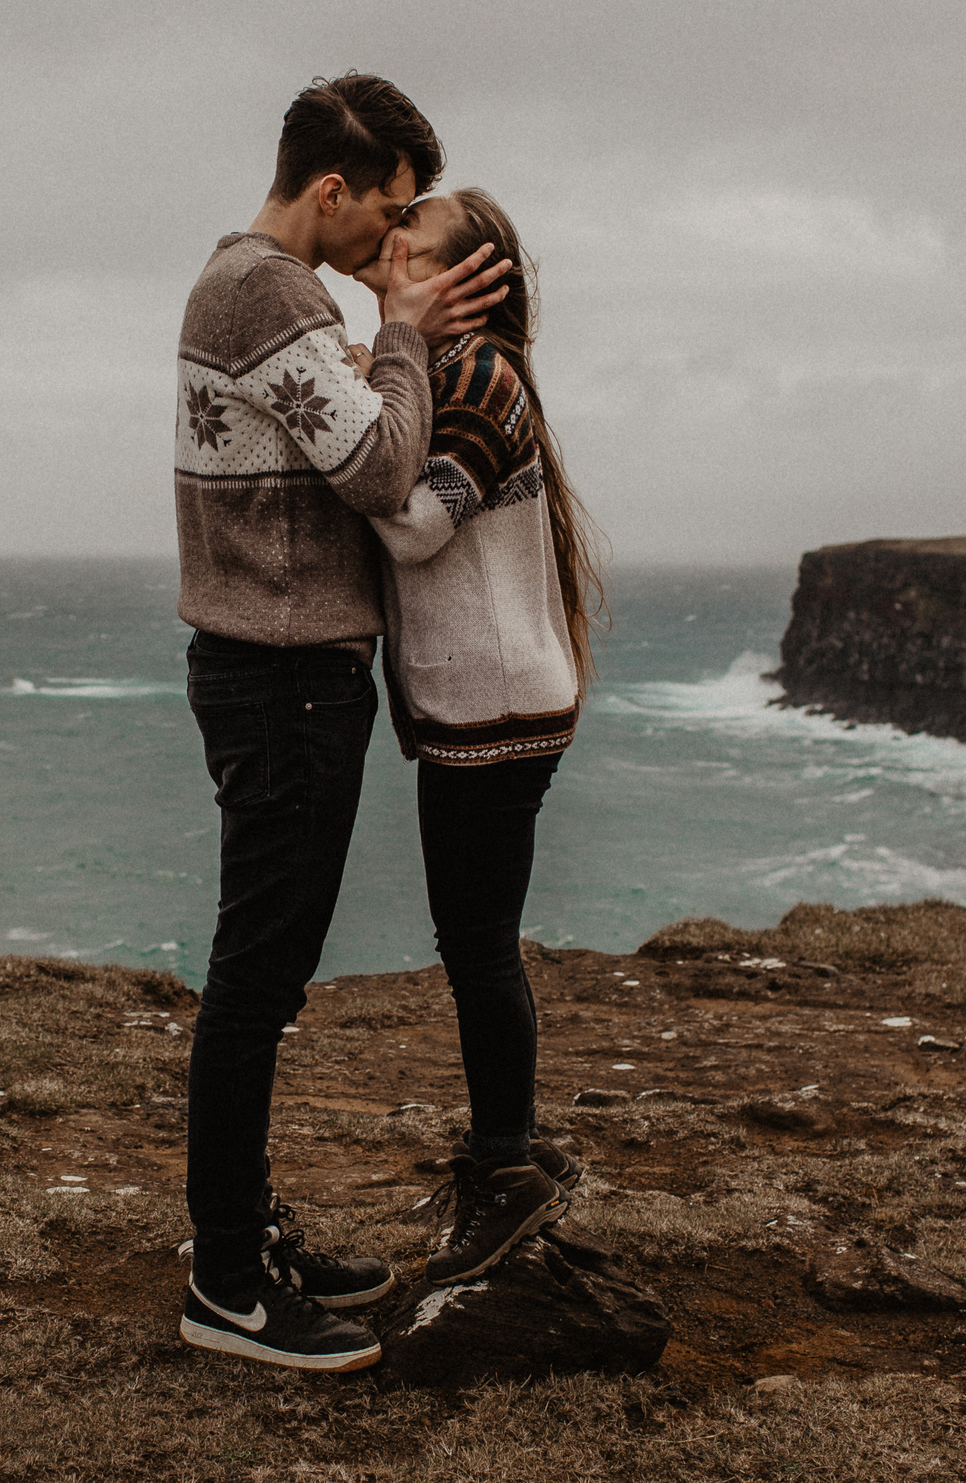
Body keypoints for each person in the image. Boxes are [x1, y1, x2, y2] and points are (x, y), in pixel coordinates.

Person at [171, 74, 511, 1373]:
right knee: (257, 979)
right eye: (389, 208)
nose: (397, 238)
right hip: (284, 672)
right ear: (332, 188)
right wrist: (410, 331)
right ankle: (226, 1283)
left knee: (265, 973)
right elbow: (378, 468)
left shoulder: (250, 288)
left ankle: (243, 1232)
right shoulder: (271, 292)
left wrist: (381, 339)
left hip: (272, 667)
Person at [354, 187, 603, 1286]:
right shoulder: (451, 372)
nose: (390, 240)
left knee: (476, 946)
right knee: (479, 941)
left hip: (492, 715)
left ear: (475, 277)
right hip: (494, 705)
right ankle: (518, 1145)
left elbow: (412, 527)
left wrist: (336, 447)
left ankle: (504, 1168)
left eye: (416, 234)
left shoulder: (471, 377)